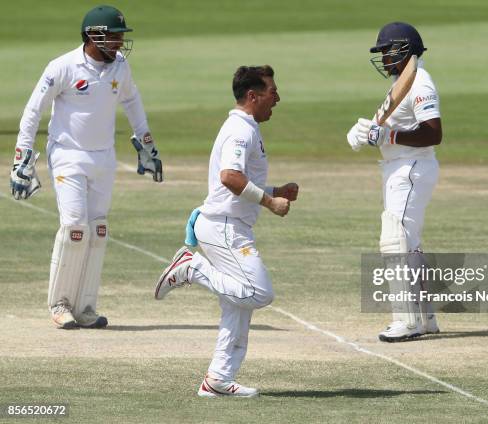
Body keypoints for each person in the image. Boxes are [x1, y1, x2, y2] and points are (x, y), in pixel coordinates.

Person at [10, 5, 163, 329]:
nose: (120, 43)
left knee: (98, 231)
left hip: (103, 157)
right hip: (67, 155)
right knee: (76, 228)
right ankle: (60, 304)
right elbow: (33, 111)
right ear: (94, 35)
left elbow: (132, 102)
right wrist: (23, 155)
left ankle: (85, 307)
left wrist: (146, 143)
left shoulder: (120, 67)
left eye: (122, 37)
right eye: (115, 36)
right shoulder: (63, 66)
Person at [155, 65, 298, 398]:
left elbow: (239, 179)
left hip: (228, 224)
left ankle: (218, 379)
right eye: (272, 92)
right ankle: (192, 268)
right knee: (259, 293)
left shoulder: (246, 128)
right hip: (223, 227)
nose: (277, 98)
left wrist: (276, 189)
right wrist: (270, 202)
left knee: (238, 303)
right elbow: (229, 178)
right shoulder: (241, 130)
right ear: (253, 96)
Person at [347, 22, 442, 342]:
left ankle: (406, 320)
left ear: (403, 50)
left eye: (386, 51)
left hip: (412, 168)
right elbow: (387, 123)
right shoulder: (403, 81)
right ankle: (426, 318)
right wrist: (368, 133)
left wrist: (387, 135)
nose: (384, 57)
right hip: (398, 168)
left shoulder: (420, 82)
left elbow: (433, 132)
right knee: (409, 244)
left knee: (394, 239)